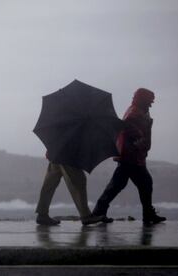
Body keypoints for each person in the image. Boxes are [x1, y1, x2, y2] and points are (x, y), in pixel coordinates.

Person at [92, 88, 166, 224]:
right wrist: (142, 145)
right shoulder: (134, 114)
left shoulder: (139, 111)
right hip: (131, 156)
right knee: (144, 183)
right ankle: (148, 214)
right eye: (149, 101)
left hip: (132, 156)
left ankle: (99, 211)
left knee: (117, 185)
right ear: (143, 100)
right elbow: (135, 134)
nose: (151, 104)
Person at [35, 152, 105, 226]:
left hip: (56, 152)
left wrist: (51, 151)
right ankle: (86, 216)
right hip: (66, 155)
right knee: (79, 181)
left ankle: (42, 214)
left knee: (50, 183)